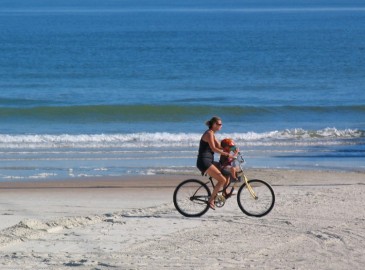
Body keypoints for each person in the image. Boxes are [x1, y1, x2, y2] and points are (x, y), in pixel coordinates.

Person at [196, 116, 235, 210]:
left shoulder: (212, 134)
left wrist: (233, 149)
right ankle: (211, 200)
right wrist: (226, 154)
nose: (221, 125)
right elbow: (214, 149)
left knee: (227, 173)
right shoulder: (209, 133)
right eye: (219, 124)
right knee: (222, 180)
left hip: (210, 161)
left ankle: (224, 193)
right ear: (214, 125)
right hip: (204, 162)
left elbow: (220, 146)